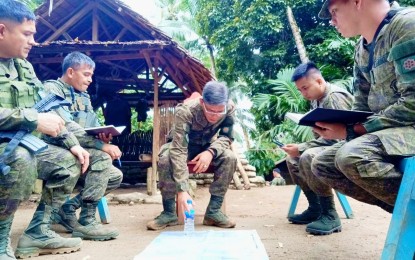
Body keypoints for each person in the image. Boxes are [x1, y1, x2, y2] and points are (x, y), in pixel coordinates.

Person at [311, 1, 415, 218]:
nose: (332, 20)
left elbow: (413, 102)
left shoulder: (407, 25)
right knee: (323, 163)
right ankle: (409, 217)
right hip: (391, 134)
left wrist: (354, 131)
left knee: (352, 155)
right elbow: (361, 107)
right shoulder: (362, 48)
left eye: (334, 11)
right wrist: (340, 125)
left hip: (410, 127)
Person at [0, 1, 88, 258]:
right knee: (20, 159)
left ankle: (37, 232)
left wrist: (72, 142)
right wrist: (32, 119)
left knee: (68, 162)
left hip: (16, 144)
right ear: (2, 31)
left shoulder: (22, 66)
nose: (33, 41)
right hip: (10, 152)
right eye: (27, 34)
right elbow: (36, 116)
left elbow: (45, 108)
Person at [42, 52, 123, 241]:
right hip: (54, 149)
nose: (90, 80)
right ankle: (87, 221)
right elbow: (65, 127)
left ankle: (67, 208)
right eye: (86, 74)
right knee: (103, 157)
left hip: (81, 152)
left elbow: (89, 128)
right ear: (70, 72)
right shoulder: (52, 90)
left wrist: (103, 138)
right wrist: (100, 147)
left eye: (91, 75)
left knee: (114, 176)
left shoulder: (84, 97)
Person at [146, 81, 237, 230]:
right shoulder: (186, 111)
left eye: (219, 111)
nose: (215, 116)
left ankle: (213, 212)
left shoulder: (230, 108)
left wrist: (210, 152)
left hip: (207, 146)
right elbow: (179, 149)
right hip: (181, 145)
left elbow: (226, 137)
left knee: (230, 157)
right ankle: (168, 213)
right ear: (202, 102)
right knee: (165, 158)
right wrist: (182, 189)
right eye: (210, 111)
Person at [281, 62, 353, 235]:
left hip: (349, 148)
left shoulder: (334, 97)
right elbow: (324, 137)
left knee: (308, 156)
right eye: (300, 90)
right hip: (331, 146)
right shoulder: (317, 100)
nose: (303, 93)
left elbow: (339, 137)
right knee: (292, 160)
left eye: (305, 88)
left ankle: (330, 214)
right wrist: (299, 148)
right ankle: (315, 208)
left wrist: (303, 148)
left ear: (319, 82)